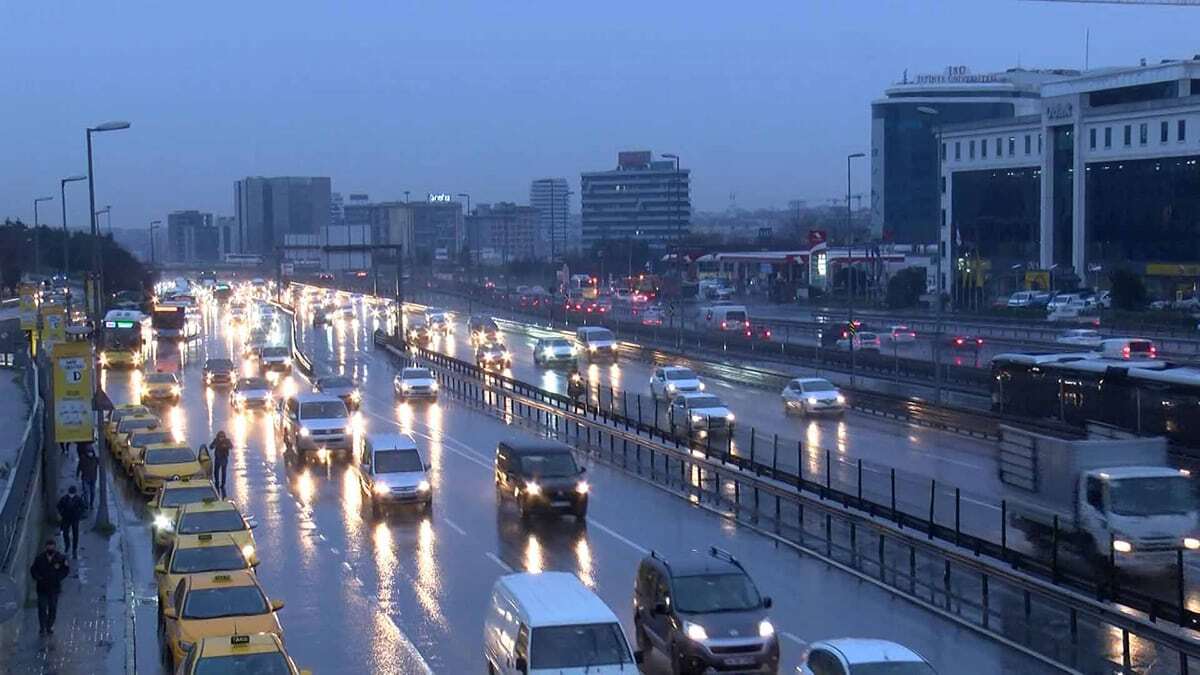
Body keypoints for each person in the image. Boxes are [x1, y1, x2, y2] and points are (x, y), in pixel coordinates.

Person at [29, 538, 69, 636]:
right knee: (42, 608)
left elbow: (65, 570)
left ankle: (49, 626)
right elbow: (33, 570)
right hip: (42, 588)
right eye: (48, 547)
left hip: (54, 588)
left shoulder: (60, 558)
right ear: (46, 547)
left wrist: (58, 578)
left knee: (53, 608)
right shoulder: (39, 559)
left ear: (54, 547)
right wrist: (38, 578)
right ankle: (42, 628)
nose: (50, 549)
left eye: (52, 547)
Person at [56, 487, 85, 559]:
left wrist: (79, 514)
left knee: (75, 534)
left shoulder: (78, 499)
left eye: (72, 494)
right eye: (70, 494)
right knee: (65, 533)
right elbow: (59, 506)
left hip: (74, 518)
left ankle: (74, 548)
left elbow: (83, 507)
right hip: (66, 518)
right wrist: (62, 513)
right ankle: (67, 545)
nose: (71, 495)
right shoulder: (64, 499)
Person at [210, 431, 233, 498]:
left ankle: (223, 484)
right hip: (217, 458)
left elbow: (231, 446)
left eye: (222, 437)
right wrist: (214, 445)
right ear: (218, 436)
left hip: (224, 458)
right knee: (216, 472)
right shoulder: (216, 440)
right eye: (220, 437)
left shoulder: (227, 441)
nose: (221, 438)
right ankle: (217, 483)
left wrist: (226, 446)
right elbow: (211, 447)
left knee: (223, 472)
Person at [76, 446, 98, 511]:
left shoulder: (95, 459)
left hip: (93, 478)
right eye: (89, 452)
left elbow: (101, 464)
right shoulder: (83, 459)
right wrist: (77, 475)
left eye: (91, 452)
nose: (90, 454)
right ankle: (86, 504)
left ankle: (91, 504)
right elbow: (79, 467)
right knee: (86, 492)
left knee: (93, 492)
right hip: (85, 478)